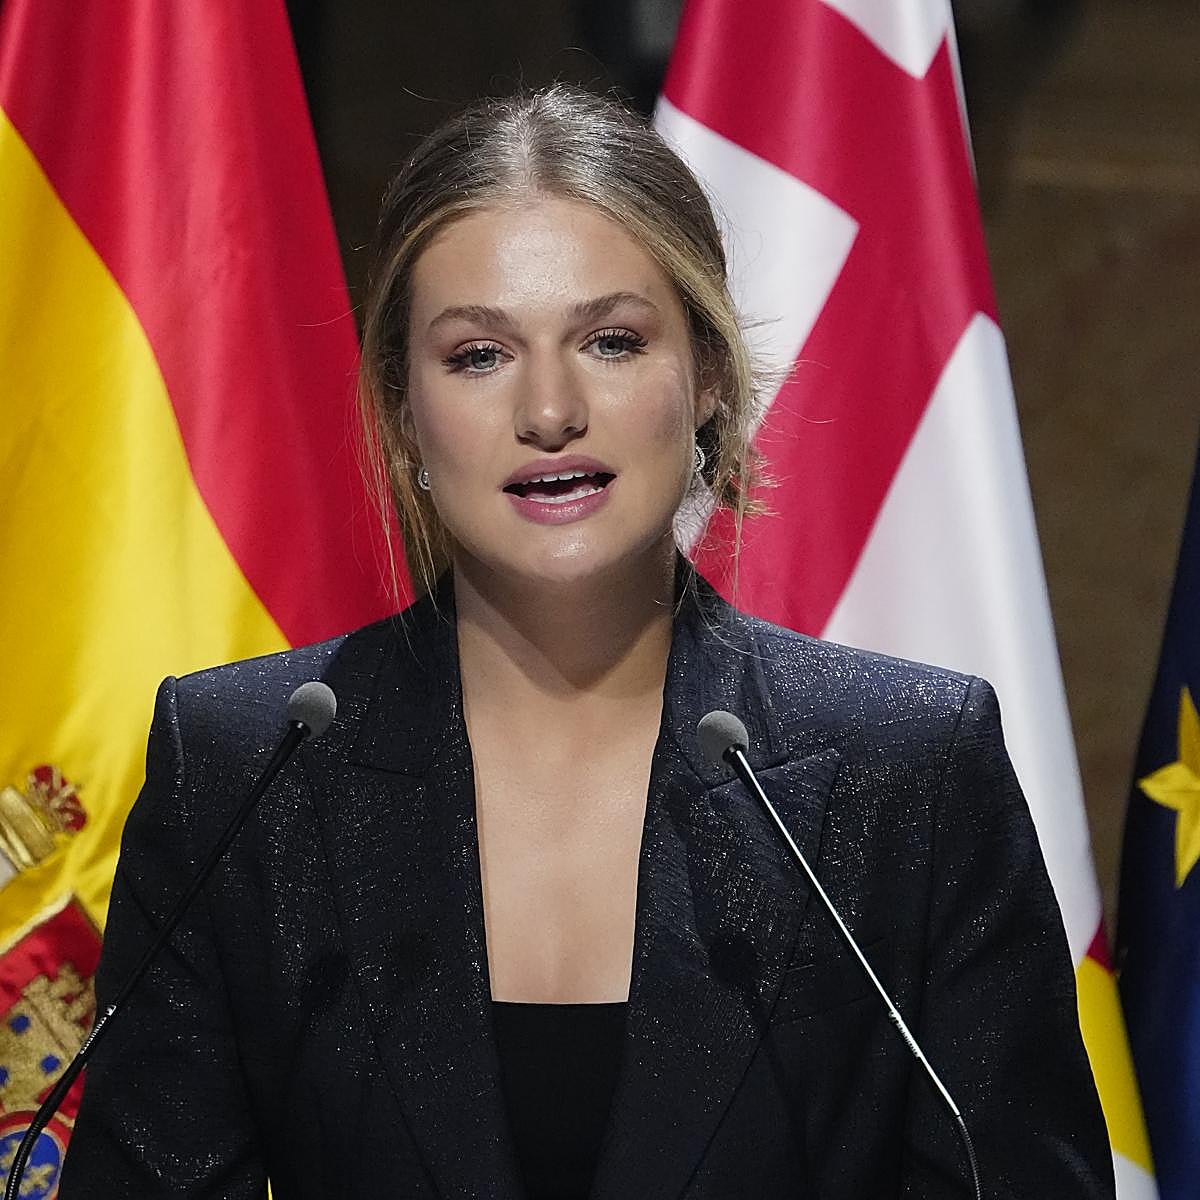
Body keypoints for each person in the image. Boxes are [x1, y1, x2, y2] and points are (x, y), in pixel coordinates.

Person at [59, 85, 1114, 1199]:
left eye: (611, 341)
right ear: (404, 409)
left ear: (707, 377)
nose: (550, 408)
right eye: (477, 356)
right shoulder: (242, 770)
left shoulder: (910, 768)